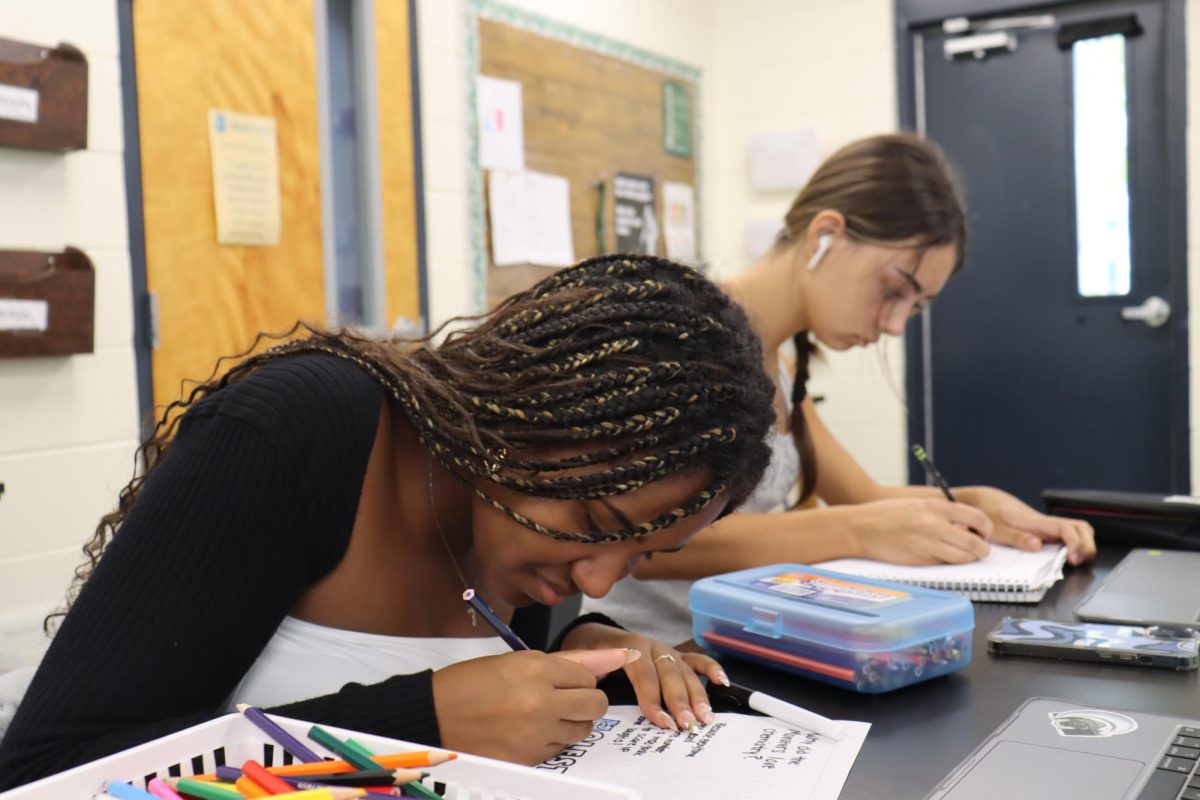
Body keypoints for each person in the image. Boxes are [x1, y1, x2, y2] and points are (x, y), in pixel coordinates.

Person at [0, 254, 776, 788]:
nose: (599, 574)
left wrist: (585, 647)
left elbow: (503, 662)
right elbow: (49, 770)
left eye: (644, 556)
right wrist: (419, 724)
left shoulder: (531, 535)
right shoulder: (300, 431)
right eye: (596, 520)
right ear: (533, 410)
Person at [585, 133, 1096, 645]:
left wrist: (981, 504)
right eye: (895, 289)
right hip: (653, 655)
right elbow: (645, 542)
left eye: (915, 306)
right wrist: (859, 531)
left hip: (739, 645)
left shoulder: (781, 367)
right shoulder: (684, 337)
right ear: (826, 234)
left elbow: (865, 497)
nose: (896, 325)